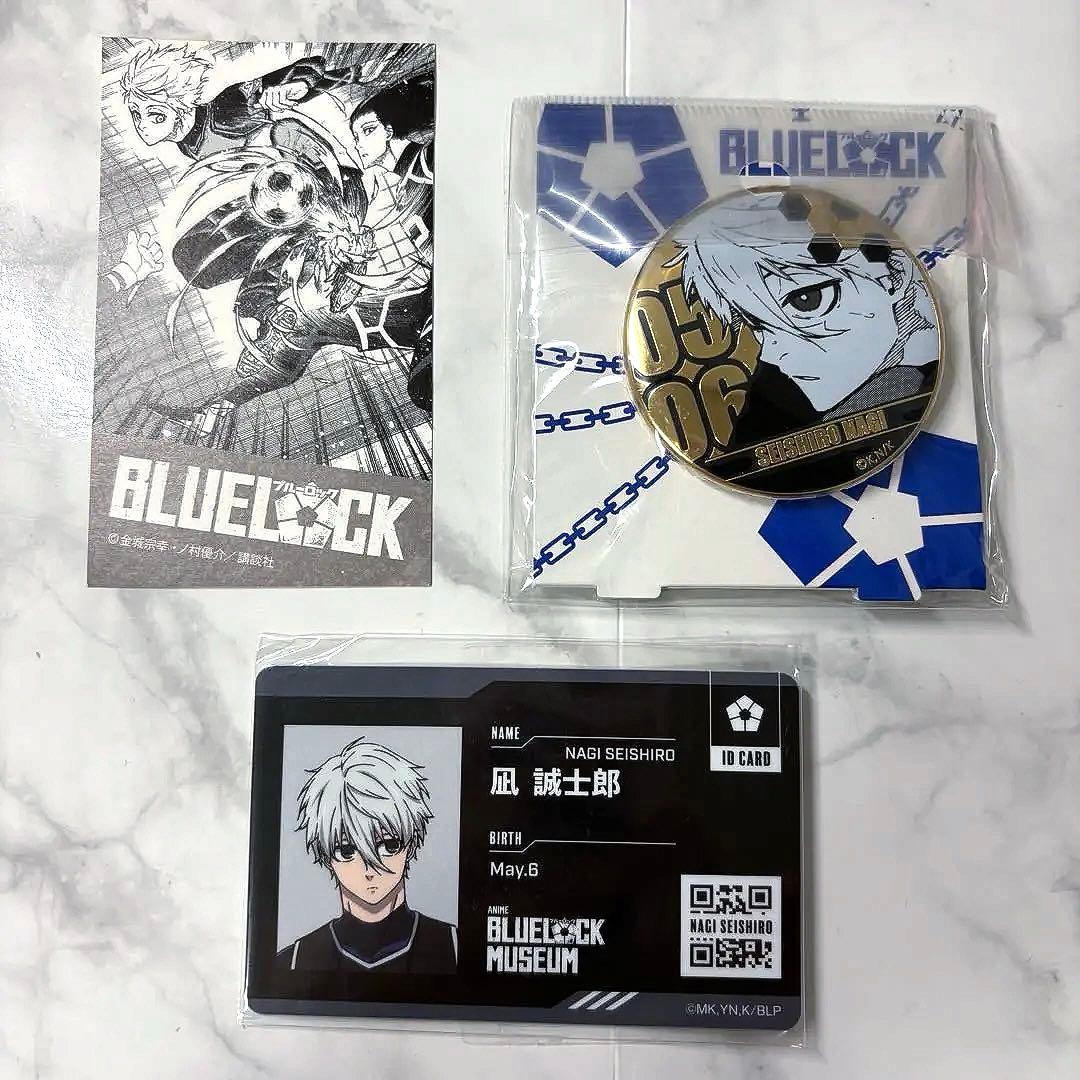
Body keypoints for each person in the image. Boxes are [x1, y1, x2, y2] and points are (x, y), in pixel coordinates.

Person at [671, 188, 939, 444]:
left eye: (807, 301)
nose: (770, 354)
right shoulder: (767, 410)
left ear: (894, 276)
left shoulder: (911, 380)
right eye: (756, 324)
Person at [277, 738, 457, 974]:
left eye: (388, 845)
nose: (369, 869)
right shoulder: (294, 961)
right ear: (326, 856)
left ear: (411, 844)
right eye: (347, 851)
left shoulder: (454, 947)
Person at [120, 41, 361, 159]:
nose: (141, 125)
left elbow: (311, 66)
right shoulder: (186, 145)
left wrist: (299, 84)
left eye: (156, 115)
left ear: (182, 106)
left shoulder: (225, 108)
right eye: (136, 113)